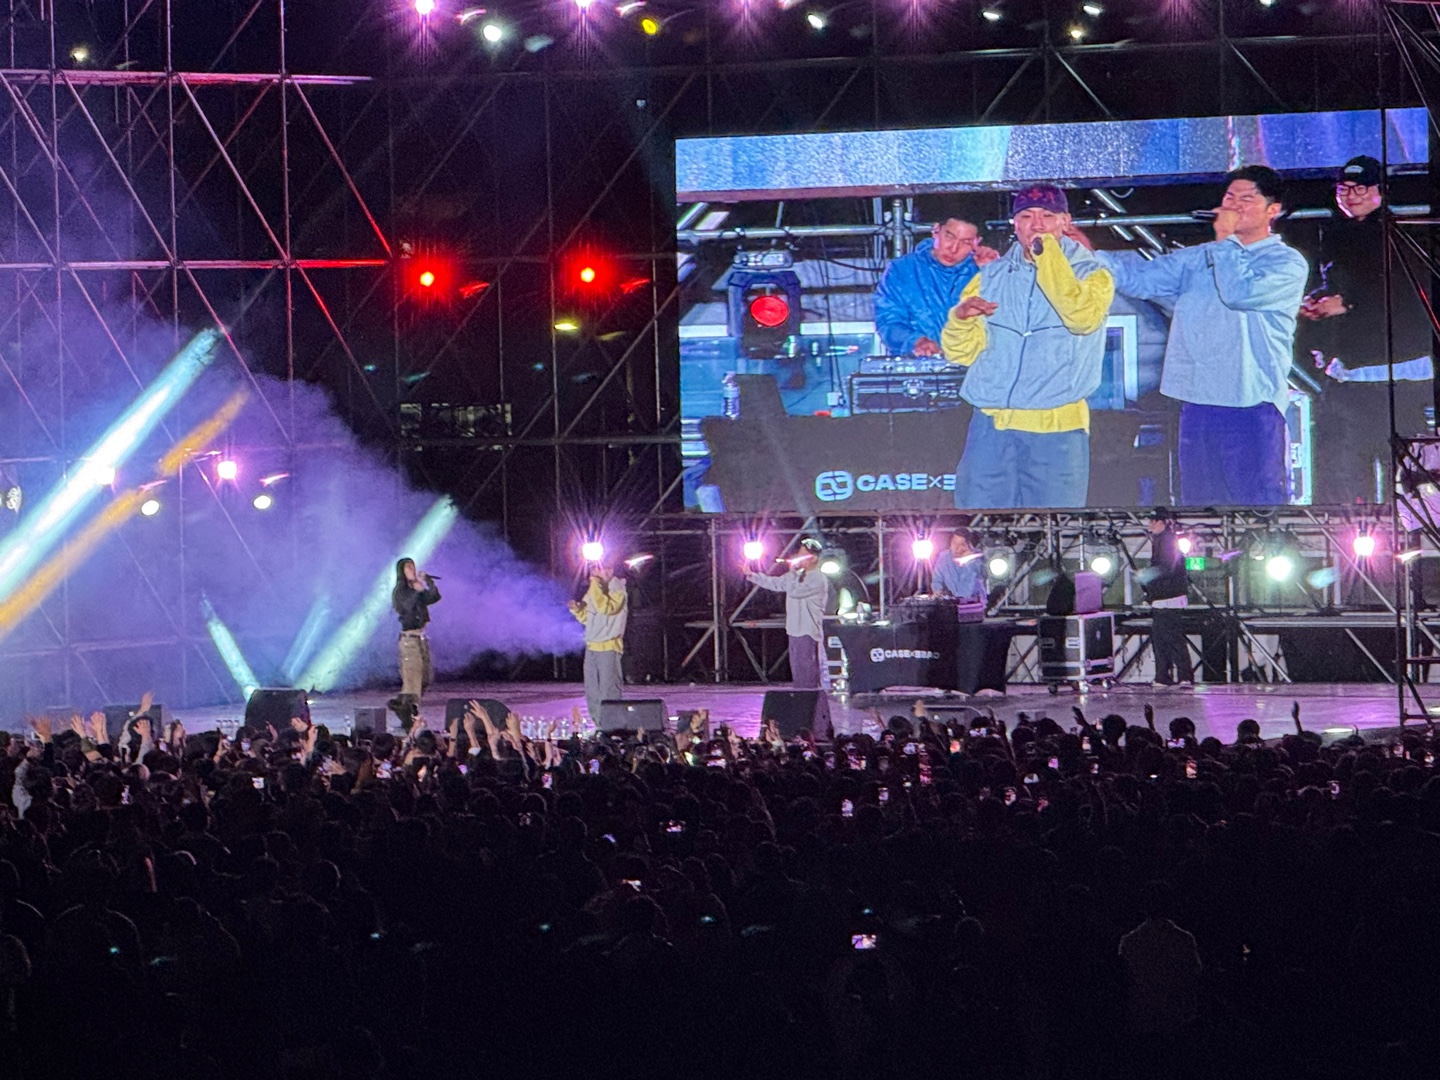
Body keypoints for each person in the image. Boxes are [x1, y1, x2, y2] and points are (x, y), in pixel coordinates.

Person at [1079, 165, 1310, 506]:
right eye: (1229, 197)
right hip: (1196, 401)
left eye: (1246, 198)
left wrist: (1225, 241)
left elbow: (1239, 292)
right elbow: (1140, 280)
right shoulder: (1198, 257)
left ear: (1272, 210)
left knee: (1256, 507)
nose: (1234, 205)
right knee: (1199, 507)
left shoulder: (1285, 263)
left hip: (1250, 401)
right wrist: (1088, 254)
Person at [941, 184, 1114, 508]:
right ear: (1014, 224)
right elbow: (961, 354)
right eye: (1026, 216)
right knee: (980, 528)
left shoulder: (1093, 275)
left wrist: (1047, 256)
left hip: (1057, 430)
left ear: (1065, 221)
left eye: (1047, 216)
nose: (1036, 224)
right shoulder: (990, 277)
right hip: (991, 427)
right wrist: (960, 319)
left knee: (1055, 531)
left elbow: (1080, 318)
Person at [1300, 155, 1434, 505]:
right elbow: (1336, 284)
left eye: (1360, 188)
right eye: (1344, 189)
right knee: (1347, 471)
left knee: (1405, 475)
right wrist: (1317, 304)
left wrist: (1346, 304)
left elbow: (1405, 293)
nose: (1351, 196)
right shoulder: (1334, 233)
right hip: (1351, 377)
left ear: (1380, 190)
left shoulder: (1403, 232)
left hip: (1397, 376)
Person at [874, 216, 998, 357]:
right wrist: (916, 341)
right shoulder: (901, 270)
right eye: (949, 236)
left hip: (978, 365)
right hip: (919, 364)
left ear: (977, 242)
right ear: (936, 230)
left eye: (966, 242)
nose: (954, 248)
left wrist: (996, 273)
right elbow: (888, 320)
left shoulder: (983, 269)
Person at [744, 538, 831, 731]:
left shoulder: (817, 579)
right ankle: (801, 715)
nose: (798, 556)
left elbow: (795, 591)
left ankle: (811, 718)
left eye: (802, 554)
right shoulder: (796, 575)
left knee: (807, 677)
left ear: (813, 558)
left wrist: (792, 572)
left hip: (808, 632)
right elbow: (776, 583)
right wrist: (752, 575)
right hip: (794, 631)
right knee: (798, 676)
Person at [568, 557, 628, 726]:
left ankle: (612, 725)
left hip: (608, 646)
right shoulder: (595, 589)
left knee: (608, 689)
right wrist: (577, 610)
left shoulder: (618, 588)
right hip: (592, 646)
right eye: (593, 569)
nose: (594, 573)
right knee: (592, 690)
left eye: (597, 569)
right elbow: (589, 618)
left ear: (609, 570)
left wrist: (594, 583)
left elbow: (606, 608)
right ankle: (599, 725)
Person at [1142, 509, 1193, 687]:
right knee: (1161, 638)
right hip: (1163, 596)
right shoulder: (1160, 540)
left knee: (1171, 637)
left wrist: (1148, 574)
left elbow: (1166, 567)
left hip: (1169, 596)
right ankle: (1163, 676)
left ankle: (1183, 676)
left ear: (1163, 522)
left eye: (1153, 521)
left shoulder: (1168, 540)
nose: (1150, 525)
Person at [389, 558, 440, 723]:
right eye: (408, 567)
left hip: (421, 638)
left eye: (413, 566)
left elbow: (434, 597)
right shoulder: (400, 591)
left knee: (426, 677)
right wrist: (416, 590)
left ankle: (402, 705)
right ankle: (410, 713)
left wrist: (428, 582)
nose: (412, 570)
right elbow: (406, 606)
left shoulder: (416, 588)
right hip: (409, 640)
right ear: (402, 571)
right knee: (413, 679)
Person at [930, 529, 988, 606]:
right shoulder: (944, 558)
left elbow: (970, 587)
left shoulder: (978, 559)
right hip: (950, 605)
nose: (956, 548)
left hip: (974, 605)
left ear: (968, 545)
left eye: (961, 544)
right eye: (954, 543)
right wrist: (939, 591)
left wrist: (969, 560)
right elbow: (937, 580)